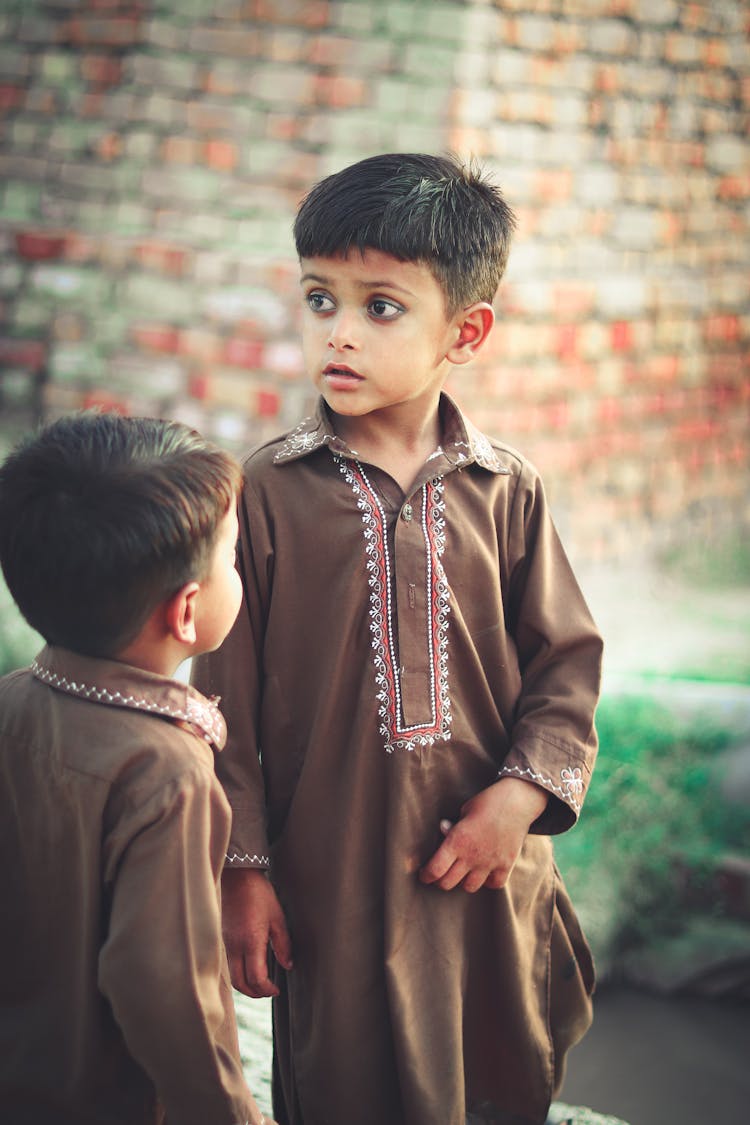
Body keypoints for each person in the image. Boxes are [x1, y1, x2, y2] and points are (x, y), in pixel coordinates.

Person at [192, 152, 603, 1125]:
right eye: (318, 298)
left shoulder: (507, 490)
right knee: (341, 1074)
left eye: (380, 307)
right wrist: (244, 870)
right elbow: (225, 709)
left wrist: (519, 796)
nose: (338, 333)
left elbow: (566, 662)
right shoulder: (269, 494)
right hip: (329, 875)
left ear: (466, 333)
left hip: (484, 867)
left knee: (498, 1065)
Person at [0, 411, 278, 1125]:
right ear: (188, 611)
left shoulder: (10, 705)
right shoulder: (168, 771)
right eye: (233, 557)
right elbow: (167, 989)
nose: (239, 573)